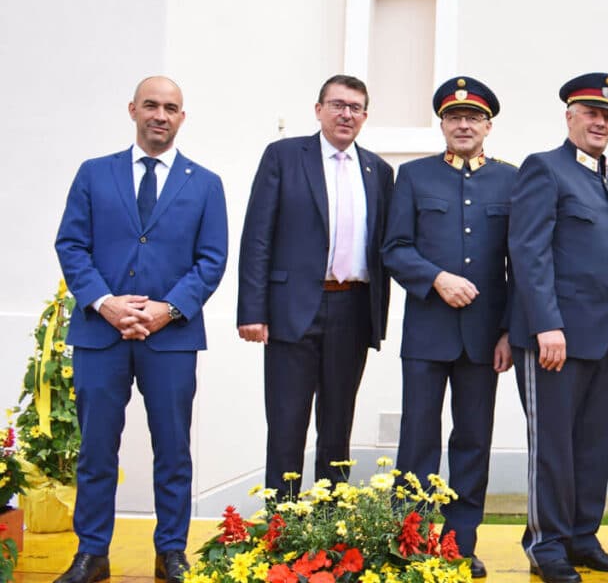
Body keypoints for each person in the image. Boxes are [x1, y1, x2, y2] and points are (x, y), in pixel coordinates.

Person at [53, 76, 228, 583]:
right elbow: (71, 245)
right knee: (96, 449)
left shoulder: (205, 183)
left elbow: (211, 261)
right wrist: (106, 304)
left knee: (173, 449)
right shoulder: (94, 173)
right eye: (151, 105)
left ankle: (170, 551)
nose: (160, 115)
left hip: (171, 338)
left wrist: (166, 310)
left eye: (171, 108)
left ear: (182, 117)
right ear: (132, 109)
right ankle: (92, 553)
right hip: (99, 334)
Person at [381, 77, 515, 578]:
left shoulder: (510, 178)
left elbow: (518, 265)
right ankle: (409, 540)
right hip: (427, 332)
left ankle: (460, 543)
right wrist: (435, 278)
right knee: (417, 439)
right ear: (441, 123)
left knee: (473, 440)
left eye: (473, 118)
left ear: (488, 126)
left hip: (485, 337)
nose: (463, 125)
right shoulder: (413, 177)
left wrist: (507, 332)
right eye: (454, 117)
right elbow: (394, 248)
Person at [237, 74, 394, 497]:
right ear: (318, 109)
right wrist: (252, 311)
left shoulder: (378, 170)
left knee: (338, 424)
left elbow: (384, 246)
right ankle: (282, 525)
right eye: (338, 104)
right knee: (287, 423)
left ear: (365, 115)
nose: (347, 114)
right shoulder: (284, 156)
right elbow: (257, 236)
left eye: (356, 107)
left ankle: (329, 526)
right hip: (293, 309)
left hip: (353, 309)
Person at [508, 73, 608, 583]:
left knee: (594, 443)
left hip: (605, 340)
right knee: (553, 444)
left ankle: (582, 535)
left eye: (607, 116)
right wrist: (546, 325)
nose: (599, 121)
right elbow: (528, 252)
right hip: (555, 340)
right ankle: (546, 542)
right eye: (590, 112)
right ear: (569, 116)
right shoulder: (545, 169)